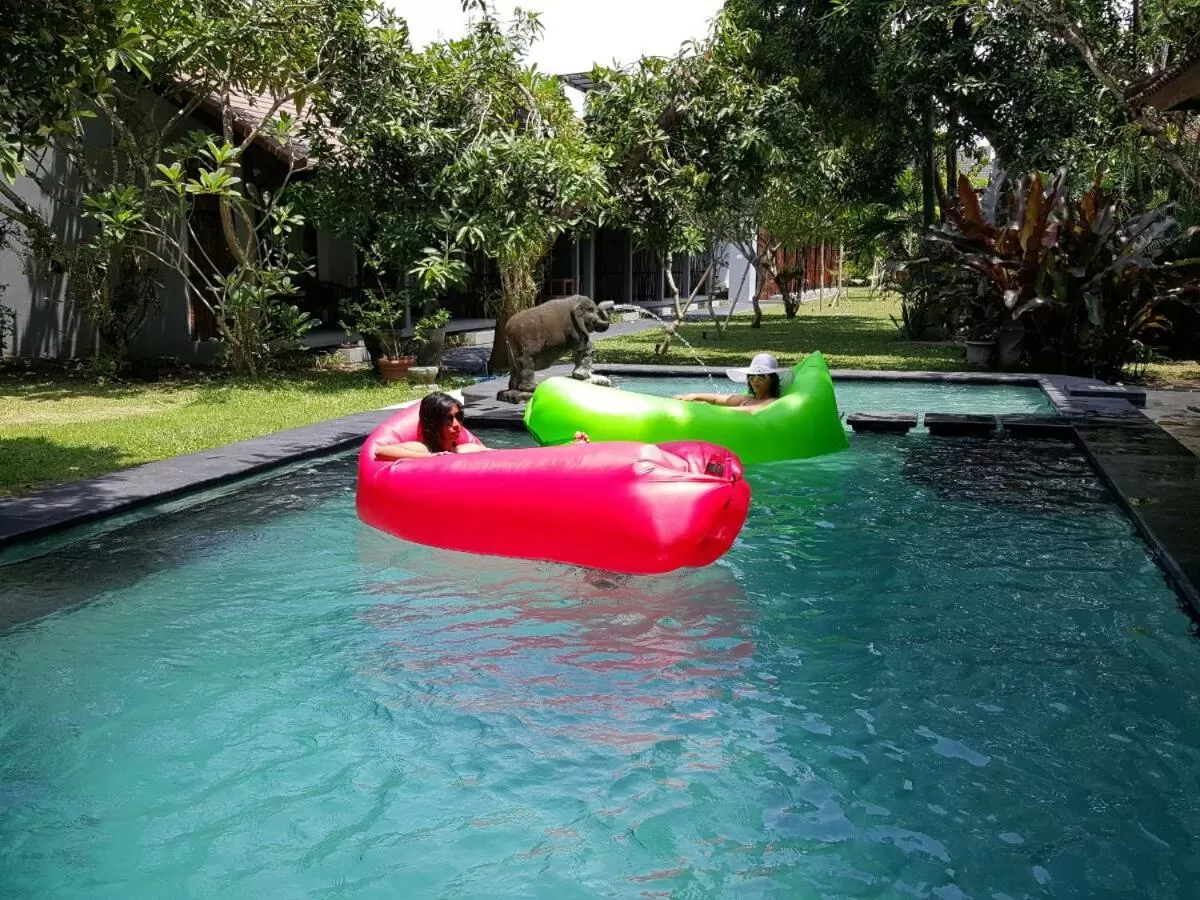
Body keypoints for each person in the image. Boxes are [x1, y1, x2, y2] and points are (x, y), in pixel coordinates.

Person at [376, 391, 588, 460]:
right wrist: (432, 458)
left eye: (459, 417)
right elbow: (381, 450)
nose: (457, 425)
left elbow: (514, 458)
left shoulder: (465, 449)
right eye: (449, 419)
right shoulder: (424, 448)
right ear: (433, 423)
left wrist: (566, 450)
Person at [675, 353, 795, 411]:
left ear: (772, 380)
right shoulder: (746, 399)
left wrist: (710, 409)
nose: (755, 380)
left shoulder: (772, 402)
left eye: (761, 377)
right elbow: (717, 398)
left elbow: (750, 411)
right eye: (752, 376)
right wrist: (693, 396)